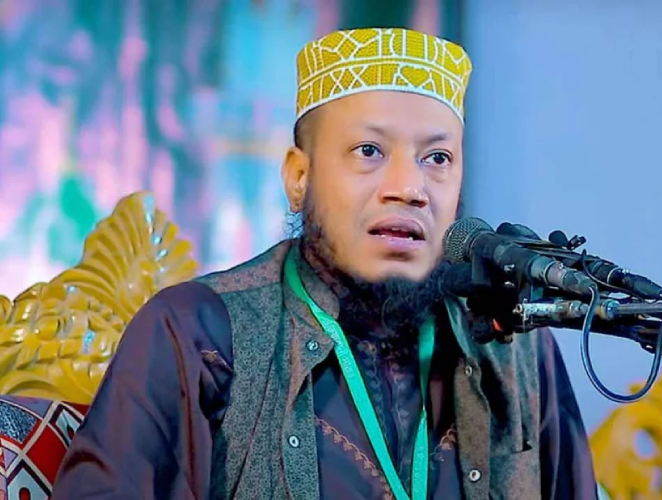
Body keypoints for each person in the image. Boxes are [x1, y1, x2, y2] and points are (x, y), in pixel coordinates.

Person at [52, 27, 598, 499]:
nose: (409, 187)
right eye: (369, 151)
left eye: (437, 158)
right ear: (299, 177)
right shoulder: (197, 335)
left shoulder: (515, 350)